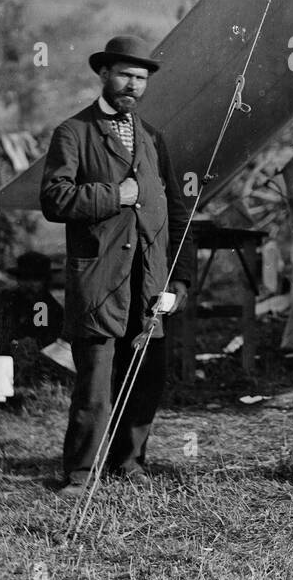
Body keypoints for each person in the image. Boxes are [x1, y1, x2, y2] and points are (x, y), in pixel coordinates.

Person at [40, 34, 193, 496]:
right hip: (99, 282)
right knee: (96, 385)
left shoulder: (152, 138)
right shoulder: (73, 133)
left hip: (148, 284)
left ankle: (129, 464)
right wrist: (115, 195)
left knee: (144, 378)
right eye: (125, 75)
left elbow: (180, 214)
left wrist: (179, 281)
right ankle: (81, 473)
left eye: (141, 79)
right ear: (103, 74)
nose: (133, 85)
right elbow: (53, 198)